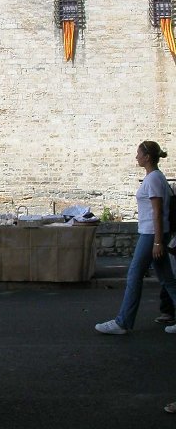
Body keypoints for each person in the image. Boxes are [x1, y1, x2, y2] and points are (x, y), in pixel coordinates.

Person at [95, 141, 176, 334]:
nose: (136, 157)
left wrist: (157, 241)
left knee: (134, 275)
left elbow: (157, 212)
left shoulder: (154, 179)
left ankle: (122, 322)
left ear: (147, 157)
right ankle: (123, 321)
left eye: (138, 153)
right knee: (167, 279)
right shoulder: (155, 177)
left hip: (151, 234)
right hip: (154, 233)